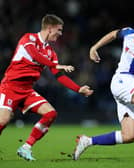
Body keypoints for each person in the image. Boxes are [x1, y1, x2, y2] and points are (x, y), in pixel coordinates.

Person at [73, 14, 134, 160]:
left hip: (132, 86)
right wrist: (95, 47)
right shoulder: (132, 34)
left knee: (129, 136)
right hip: (122, 79)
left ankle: (88, 141)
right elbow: (113, 34)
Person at [0, 14, 93, 161]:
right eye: (59, 30)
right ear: (50, 28)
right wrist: (56, 64)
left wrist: (78, 89)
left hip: (27, 90)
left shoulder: (51, 52)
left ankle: (26, 148)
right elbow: (34, 55)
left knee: (50, 113)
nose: (61, 34)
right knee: (3, 121)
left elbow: (59, 76)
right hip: (10, 87)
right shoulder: (28, 39)